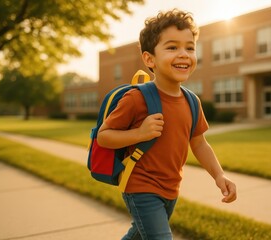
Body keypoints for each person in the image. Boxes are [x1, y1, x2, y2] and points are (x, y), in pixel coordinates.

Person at [97, 9, 237, 240]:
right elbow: (105, 136)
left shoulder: (192, 101)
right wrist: (139, 133)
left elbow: (199, 143)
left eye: (189, 48)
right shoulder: (137, 98)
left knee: (138, 236)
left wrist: (219, 176)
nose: (183, 54)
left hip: (171, 187)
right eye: (172, 47)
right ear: (149, 58)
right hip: (140, 185)